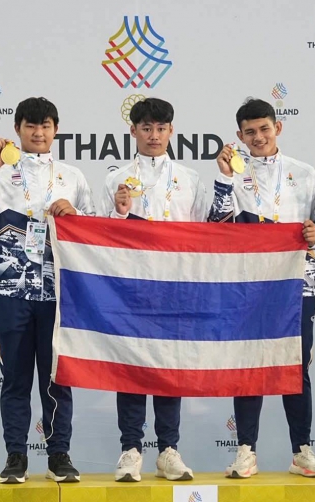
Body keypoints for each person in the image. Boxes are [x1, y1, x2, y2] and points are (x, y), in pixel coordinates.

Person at [0, 97, 95, 484]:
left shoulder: (72, 176)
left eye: (45, 125)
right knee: (16, 378)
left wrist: (75, 214)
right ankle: (16, 457)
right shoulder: (1, 172)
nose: (39, 133)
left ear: (56, 129)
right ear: (17, 129)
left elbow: (95, 232)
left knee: (57, 379)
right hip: (10, 290)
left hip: (59, 292)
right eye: (31, 126)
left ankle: (59, 456)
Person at [208, 97, 315, 479]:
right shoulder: (233, 173)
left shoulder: (305, 173)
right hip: (248, 285)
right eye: (250, 132)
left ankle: (302, 451)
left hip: (296, 284)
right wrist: (224, 177)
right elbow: (217, 224)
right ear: (239, 135)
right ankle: (246, 450)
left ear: (278, 127)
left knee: (296, 366)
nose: (258, 137)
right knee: (248, 366)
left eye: (264, 129)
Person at [100, 97, 207, 482]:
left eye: (161, 128)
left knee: (168, 368)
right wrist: (119, 213)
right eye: (146, 128)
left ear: (171, 131)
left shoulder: (191, 179)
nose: (154, 135)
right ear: (133, 131)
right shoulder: (115, 179)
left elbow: (201, 237)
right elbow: (102, 239)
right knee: (131, 367)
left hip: (175, 289)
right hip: (131, 289)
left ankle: (168, 450)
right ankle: (130, 449)